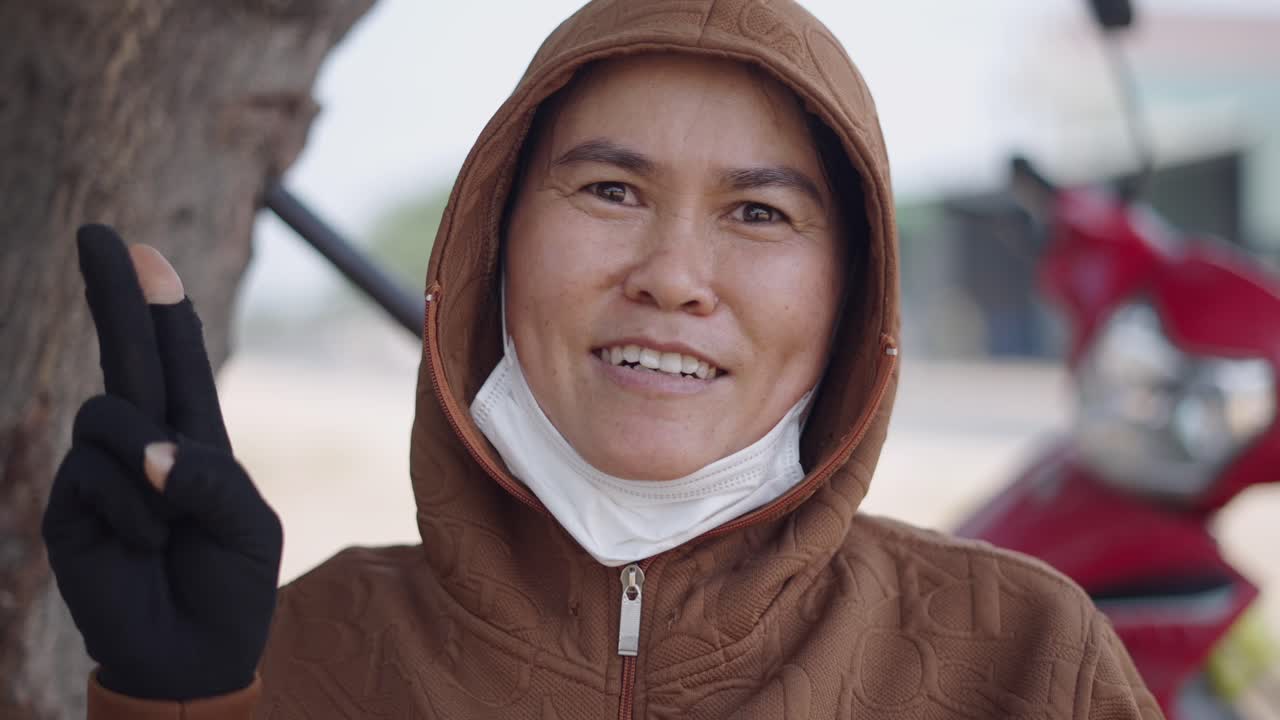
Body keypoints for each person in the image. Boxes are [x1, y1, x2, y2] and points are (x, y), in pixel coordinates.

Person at [43, 0, 1165, 717]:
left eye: (760, 214)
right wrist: (175, 705)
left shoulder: (1025, 662)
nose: (674, 274)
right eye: (610, 190)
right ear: (494, 248)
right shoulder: (297, 652)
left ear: (852, 293)